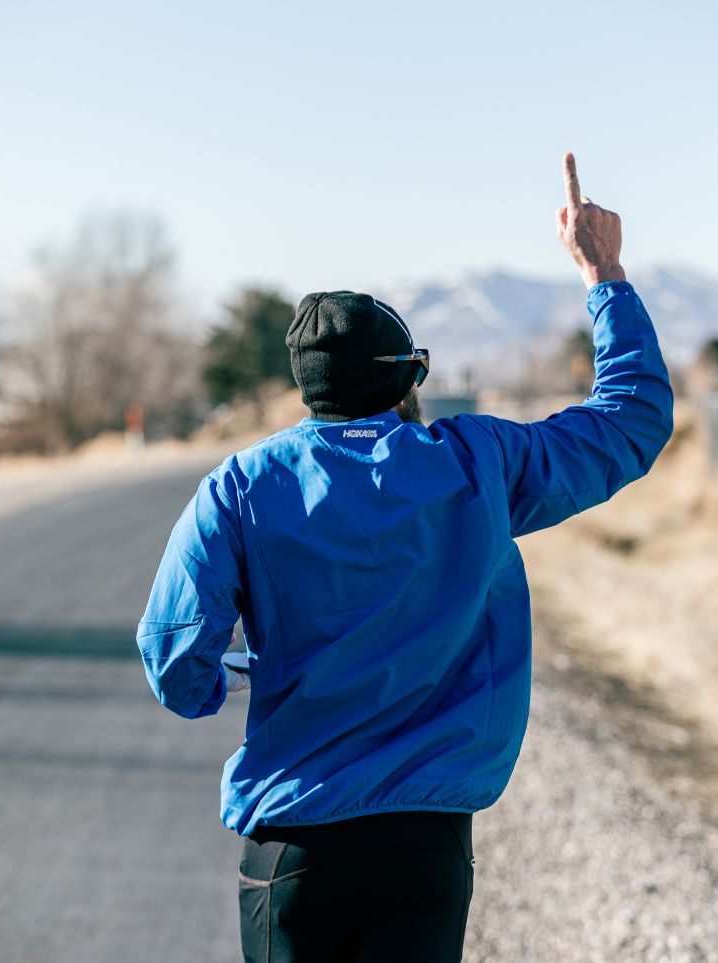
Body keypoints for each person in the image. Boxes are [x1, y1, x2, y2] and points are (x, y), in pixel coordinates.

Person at [136, 154, 673, 962]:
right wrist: (605, 273)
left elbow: (176, 665)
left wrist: (231, 677)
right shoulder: (479, 463)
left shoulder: (239, 488)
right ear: (408, 379)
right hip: (426, 850)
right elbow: (630, 421)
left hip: (292, 848)